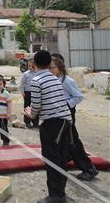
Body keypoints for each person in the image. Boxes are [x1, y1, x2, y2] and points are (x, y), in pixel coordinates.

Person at [24, 50, 73, 203]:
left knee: (52, 159)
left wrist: (29, 113)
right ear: (48, 63)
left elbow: (36, 107)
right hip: (65, 121)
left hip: (52, 123)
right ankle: (60, 194)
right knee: (62, 158)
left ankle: (55, 196)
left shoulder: (36, 81)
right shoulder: (55, 78)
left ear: (34, 64)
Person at [50, 54, 98, 182]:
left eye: (52, 67)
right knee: (65, 139)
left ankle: (89, 168)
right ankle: (67, 158)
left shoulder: (67, 81)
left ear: (59, 67)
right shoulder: (54, 79)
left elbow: (78, 96)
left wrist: (66, 104)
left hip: (67, 112)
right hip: (59, 113)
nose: (50, 70)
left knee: (72, 140)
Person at [20, 59, 39, 128]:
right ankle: (27, 122)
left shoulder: (37, 73)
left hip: (36, 92)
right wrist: (22, 92)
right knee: (27, 107)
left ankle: (35, 122)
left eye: (32, 66)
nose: (31, 67)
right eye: (29, 66)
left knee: (36, 107)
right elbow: (22, 84)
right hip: (27, 93)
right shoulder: (25, 74)